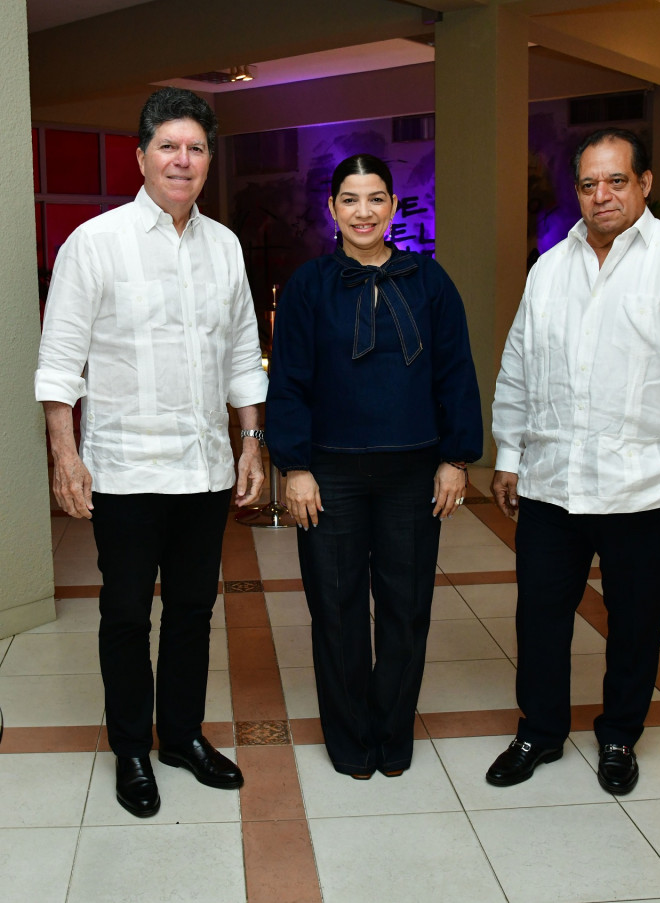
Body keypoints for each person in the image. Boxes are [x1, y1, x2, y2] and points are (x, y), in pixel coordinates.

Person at [486, 128, 660, 795]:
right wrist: (510, 454)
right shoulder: (550, 268)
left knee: (636, 623)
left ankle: (618, 736)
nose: (601, 195)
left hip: (648, 490)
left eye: (616, 180)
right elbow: (519, 369)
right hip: (553, 486)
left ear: (645, 184)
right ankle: (539, 731)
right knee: (539, 618)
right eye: (588, 184)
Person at [35, 87, 268, 817]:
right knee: (127, 613)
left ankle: (183, 736)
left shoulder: (224, 246)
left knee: (195, 608)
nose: (182, 160)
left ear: (208, 161)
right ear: (141, 157)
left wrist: (251, 441)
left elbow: (242, 354)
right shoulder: (94, 242)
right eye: (168, 146)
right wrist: (64, 455)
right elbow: (59, 362)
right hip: (126, 470)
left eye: (195, 148)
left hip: (204, 467)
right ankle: (132, 748)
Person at [265, 153, 482, 779]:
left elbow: (455, 372)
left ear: (393, 207)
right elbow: (289, 380)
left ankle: (392, 732)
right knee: (334, 611)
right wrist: (294, 467)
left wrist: (455, 458)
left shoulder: (429, 281)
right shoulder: (309, 285)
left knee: (405, 609)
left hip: (413, 474)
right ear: (331, 209)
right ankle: (349, 737)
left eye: (376, 198)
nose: (364, 212)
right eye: (350, 199)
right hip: (328, 476)